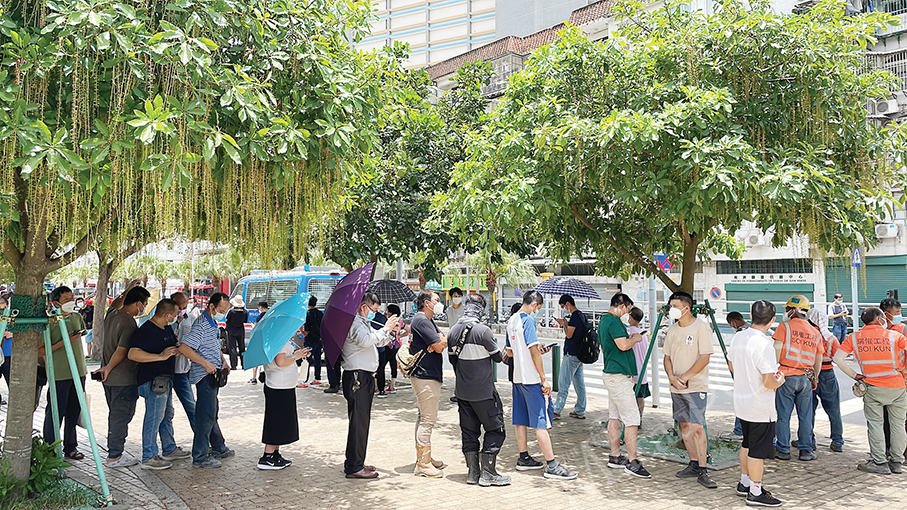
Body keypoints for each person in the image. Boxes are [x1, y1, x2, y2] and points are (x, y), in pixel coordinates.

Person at [505, 290, 577, 480]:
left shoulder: (511, 321)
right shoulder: (528, 320)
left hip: (517, 378)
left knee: (520, 419)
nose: (537, 311)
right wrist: (543, 377)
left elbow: (510, 352)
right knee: (540, 421)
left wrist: (534, 352)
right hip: (531, 379)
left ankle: (523, 457)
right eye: (539, 308)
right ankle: (552, 465)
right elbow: (532, 350)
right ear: (535, 304)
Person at [834, 307, 907, 475]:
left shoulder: (854, 337)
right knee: (898, 425)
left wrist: (855, 375)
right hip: (897, 386)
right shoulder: (894, 336)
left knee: (875, 424)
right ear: (880, 319)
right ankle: (896, 462)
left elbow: (838, 359)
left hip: (872, 387)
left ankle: (879, 462)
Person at [728, 300, 785, 507]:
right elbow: (769, 381)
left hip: (742, 403)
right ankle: (755, 491)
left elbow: (732, 365)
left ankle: (744, 483)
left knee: (747, 443)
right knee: (757, 451)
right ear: (772, 320)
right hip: (760, 406)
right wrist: (780, 380)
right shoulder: (765, 343)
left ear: (751, 316)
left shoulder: (738, 338)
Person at [448, 293, 509, 486]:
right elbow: (498, 358)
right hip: (483, 392)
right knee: (496, 429)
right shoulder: (483, 331)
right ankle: (488, 473)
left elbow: (452, 361)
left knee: (469, 431)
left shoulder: (453, 332)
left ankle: (473, 473)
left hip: (462, 392)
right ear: (481, 309)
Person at [341, 291, 400, 479]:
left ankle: (357, 461)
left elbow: (377, 339)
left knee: (361, 422)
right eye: (373, 309)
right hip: (357, 377)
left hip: (364, 376)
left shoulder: (363, 322)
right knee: (359, 422)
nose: (375, 313)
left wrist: (390, 333)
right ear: (364, 306)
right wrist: (385, 329)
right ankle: (354, 466)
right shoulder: (355, 323)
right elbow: (366, 341)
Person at [127, 299, 190, 470]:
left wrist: (175, 349)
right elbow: (133, 354)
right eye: (176, 313)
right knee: (154, 417)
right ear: (167, 315)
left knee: (166, 414)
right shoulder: (147, 330)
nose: (178, 316)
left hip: (165, 379)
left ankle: (169, 448)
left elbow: (167, 348)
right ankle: (149, 455)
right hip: (152, 381)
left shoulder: (167, 328)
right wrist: (160, 357)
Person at [663, 291, 717, 489]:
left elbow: (705, 357)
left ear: (686, 307)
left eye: (674, 306)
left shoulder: (701, 328)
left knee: (697, 426)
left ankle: (703, 468)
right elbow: (666, 358)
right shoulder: (672, 330)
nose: (672, 310)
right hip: (676, 386)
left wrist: (684, 378)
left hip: (695, 386)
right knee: (684, 425)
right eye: (670, 306)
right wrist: (672, 377)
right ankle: (693, 463)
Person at [95, 281, 150, 468]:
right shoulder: (128, 322)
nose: (144, 308)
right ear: (138, 303)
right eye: (145, 303)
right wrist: (109, 367)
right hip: (122, 378)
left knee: (115, 414)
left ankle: (115, 452)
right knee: (121, 416)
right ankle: (115, 456)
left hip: (109, 379)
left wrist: (128, 290)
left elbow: (114, 303)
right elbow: (122, 350)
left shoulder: (112, 315)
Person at [179, 293, 235, 469]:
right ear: (211, 307)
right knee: (205, 416)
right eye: (220, 310)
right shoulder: (201, 325)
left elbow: (213, 346)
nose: (223, 314)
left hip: (214, 374)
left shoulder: (213, 324)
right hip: (204, 376)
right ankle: (200, 456)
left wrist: (223, 361)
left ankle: (218, 446)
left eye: (225, 311)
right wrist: (205, 363)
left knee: (211, 412)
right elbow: (184, 347)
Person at [598, 292, 650, 478]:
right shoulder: (613, 321)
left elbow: (606, 347)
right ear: (621, 305)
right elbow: (623, 345)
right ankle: (632, 460)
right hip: (619, 376)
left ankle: (615, 456)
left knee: (614, 416)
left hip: (612, 373)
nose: (627, 313)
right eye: (627, 308)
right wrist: (635, 339)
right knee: (632, 419)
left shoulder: (603, 320)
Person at [772, 295, 823, 462]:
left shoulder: (784, 327)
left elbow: (776, 353)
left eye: (787, 309)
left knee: (783, 416)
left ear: (793, 310)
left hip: (786, 376)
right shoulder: (815, 332)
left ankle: (783, 450)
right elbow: (818, 360)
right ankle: (806, 450)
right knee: (805, 416)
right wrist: (814, 379)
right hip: (806, 378)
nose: (786, 312)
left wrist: (773, 374)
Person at [40, 286, 89, 461]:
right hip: (59, 374)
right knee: (55, 411)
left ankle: (71, 447)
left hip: (79, 371)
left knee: (74, 411)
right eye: (65, 299)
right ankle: (50, 448)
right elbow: (40, 351)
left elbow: (80, 336)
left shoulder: (76, 317)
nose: (70, 301)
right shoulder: (49, 322)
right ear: (55, 303)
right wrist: (65, 340)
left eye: (71, 298)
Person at [408, 290, 449, 477]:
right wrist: (438, 343)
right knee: (428, 420)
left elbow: (441, 341)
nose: (439, 303)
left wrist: (439, 342)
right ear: (426, 303)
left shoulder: (426, 321)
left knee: (423, 417)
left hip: (428, 374)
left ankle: (424, 457)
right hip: (425, 375)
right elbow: (440, 346)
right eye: (436, 300)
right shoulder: (422, 321)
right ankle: (423, 465)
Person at [258, 336, 312, 470]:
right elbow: (280, 361)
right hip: (279, 385)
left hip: (283, 385)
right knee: (276, 421)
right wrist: (296, 356)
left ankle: (275, 453)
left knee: (281, 421)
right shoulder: (279, 339)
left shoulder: (281, 338)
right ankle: (267, 456)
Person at [805, 307, 844, 453]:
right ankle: (837, 441)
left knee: (808, 410)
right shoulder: (831, 338)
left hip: (809, 374)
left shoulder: (807, 336)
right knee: (834, 411)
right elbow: (838, 357)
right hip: (828, 374)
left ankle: (809, 440)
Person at [552, 294, 587, 420]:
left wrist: (564, 324)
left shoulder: (576, 317)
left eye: (563, 306)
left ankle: (557, 410)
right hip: (579, 354)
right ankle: (580, 409)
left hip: (572, 354)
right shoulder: (582, 315)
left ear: (567, 304)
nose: (563, 309)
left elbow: (569, 335)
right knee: (579, 384)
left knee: (563, 383)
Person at [172, 292, 197, 430]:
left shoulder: (192, 319)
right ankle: (169, 446)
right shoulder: (167, 320)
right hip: (166, 370)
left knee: (191, 406)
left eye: (184, 306)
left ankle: (201, 440)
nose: (182, 309)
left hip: (183, 369)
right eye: (179, 306)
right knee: (165, 411)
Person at [726, 312, 750, 440]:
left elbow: (732, 361)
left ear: (733, 322)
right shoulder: (753, 329)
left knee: (741, 402)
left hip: (744, 375)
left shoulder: (741, 334)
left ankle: (739, 431)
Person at [627, 307, 650, 423]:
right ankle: (639, 418)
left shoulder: (628, 332)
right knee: (640, 396)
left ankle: (630, 419)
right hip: (642, 370)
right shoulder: (644, 334)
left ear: (630, 318)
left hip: (631, 370)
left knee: (629, 397)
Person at [378, 304, 406, 395]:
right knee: (393, 365)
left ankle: (378, 388)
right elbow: (408, 329)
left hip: (387, 346)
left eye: (388, 311)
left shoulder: (388, 322)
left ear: (390, 313)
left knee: (381, 366)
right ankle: (392, 386)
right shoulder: (399, 322)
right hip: (396, 346)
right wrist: (399, 336)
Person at [303, 295, 324, 386]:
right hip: (319, 339)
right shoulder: (320, 313)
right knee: (318, 359)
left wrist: (302, 332)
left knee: (307, 359)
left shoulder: (307, 314)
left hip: (310, 340)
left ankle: (305, 379)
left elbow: (307, 329)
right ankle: (317, 378)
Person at [224, 296, 248, 371]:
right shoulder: (245, 312)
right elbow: (245, 321)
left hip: (231, 330)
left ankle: (233, 365)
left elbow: (227, 320)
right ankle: (244, 364)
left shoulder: (231, 311)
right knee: (242, 347)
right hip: (240, 330)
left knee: (232, 348)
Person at [248, 301, 269, 384]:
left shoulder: (260, 316)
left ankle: (254, 377)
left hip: (260, 339)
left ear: (261, 307)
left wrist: (253, 326)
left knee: (256, 359)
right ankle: (265, 376)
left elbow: (257, 328)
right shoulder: (271, 315)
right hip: (268, 340)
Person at [0, 296, 12, 405]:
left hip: (8, 354)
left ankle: (14, 400)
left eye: (3, 309)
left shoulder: (11, 318)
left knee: (10, 380)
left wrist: (10, 333)